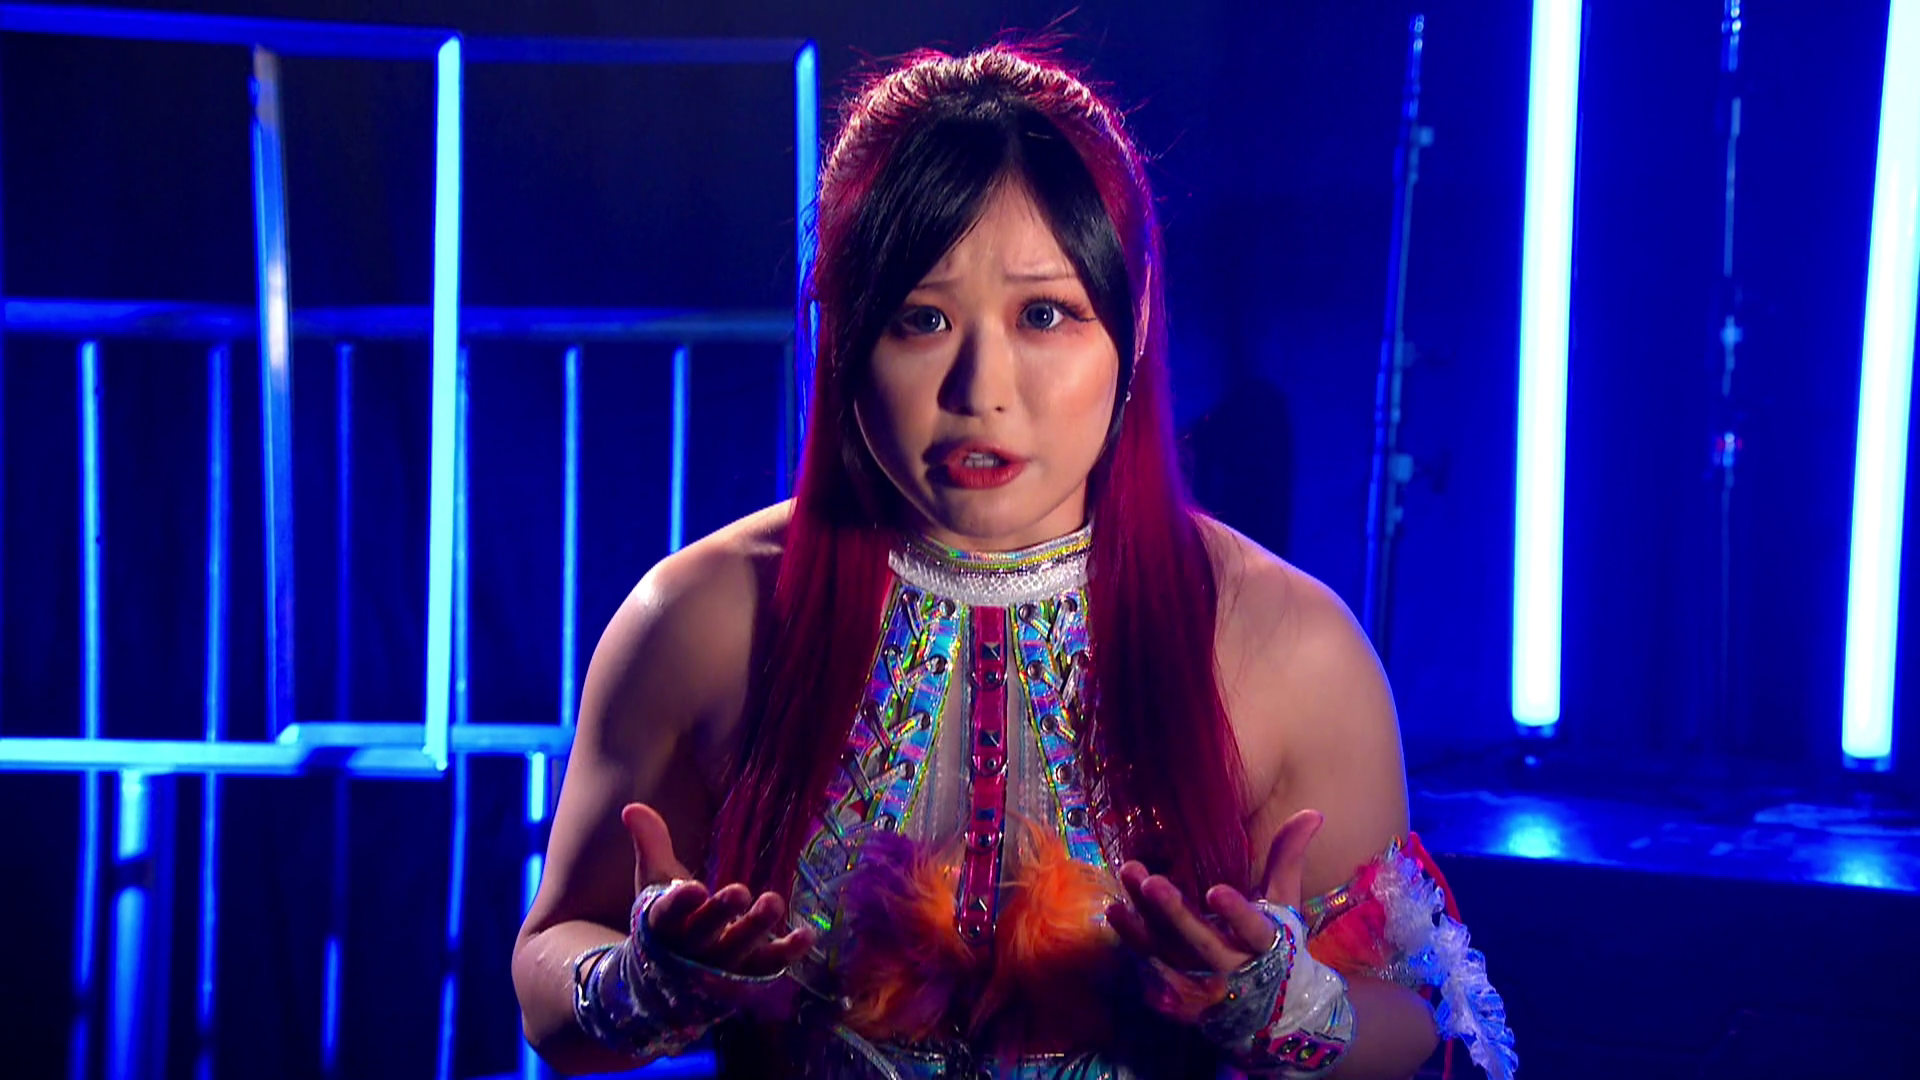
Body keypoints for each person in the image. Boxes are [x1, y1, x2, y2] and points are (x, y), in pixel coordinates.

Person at [512, 43, 1515, 1080]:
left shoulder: (1291, 646)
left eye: (1044, 315)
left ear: (1133, 323)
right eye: (921, 319)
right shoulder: (701, 617)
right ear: (839, 332)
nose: (980, 387)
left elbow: (1412, 1026)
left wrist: (1285, 1007)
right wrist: (637, 982)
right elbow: (548, 977)